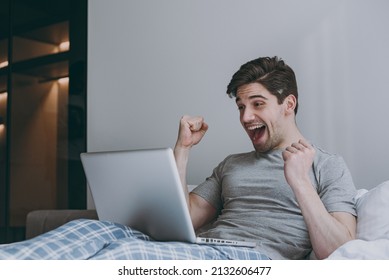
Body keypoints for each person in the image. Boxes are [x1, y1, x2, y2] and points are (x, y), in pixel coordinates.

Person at [173, 56, 357, 260]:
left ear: (289, 104)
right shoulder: (231, 164)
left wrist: (300, 181)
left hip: (253, 260)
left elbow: (340, 250)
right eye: (241, 107)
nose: (245, 117)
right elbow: (185, 219)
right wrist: (183, 149)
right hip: (201, 251)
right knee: (130, 235)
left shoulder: (328, 165)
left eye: (257, 104)